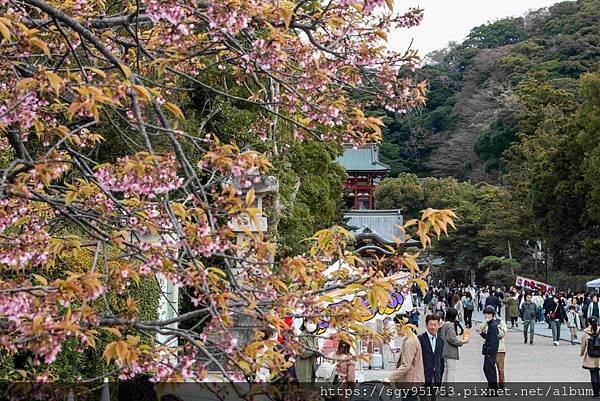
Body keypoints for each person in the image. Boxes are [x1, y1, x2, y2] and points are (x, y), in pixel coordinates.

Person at [388, 323, 424, 393]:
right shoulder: (409, 338)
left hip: (410, 382)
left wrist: (390, 378)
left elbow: (406, 365)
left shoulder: (410, 342)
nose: (396, 330)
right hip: (411, 381)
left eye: (396, 327)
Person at [439, 307, 468, 385]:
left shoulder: (445, 324)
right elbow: (452, 339)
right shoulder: (450, 326)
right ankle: (451, 390)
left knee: (446, 370)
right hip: (450, 351)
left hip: (444, 350)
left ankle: (444, 389)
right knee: (451, 371)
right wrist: (462, 341)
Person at [418, 314, 444, 400]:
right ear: (426, 325)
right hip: (423, 374)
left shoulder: (440, 341)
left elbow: (440, 360)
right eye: (431, 324)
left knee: (434, 398)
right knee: (424, 398)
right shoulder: (420, 339)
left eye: (435, 324)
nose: (433, 327)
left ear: (439, 325)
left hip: (436, 375)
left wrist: (439, 376)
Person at [477, 307, 500, 391]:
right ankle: (491, 386)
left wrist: (488, 351)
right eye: (485, 314)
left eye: (487, 314)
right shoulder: (491, 324)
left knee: (489, 369)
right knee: (487, 368)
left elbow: (493, 340)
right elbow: (489, 337)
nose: (485, 316)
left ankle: (493, 388)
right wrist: (481, 333)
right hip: (489, 350)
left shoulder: (493, 325)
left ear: (491, 315)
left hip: (490, 351)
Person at [581, 317, 600, 399]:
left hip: (590, 356)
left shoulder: (586, 333)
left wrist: (581, 353)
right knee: (598, 373)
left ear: (588, 323)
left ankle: (596, 393)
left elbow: (583, 345)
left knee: (593, 374)